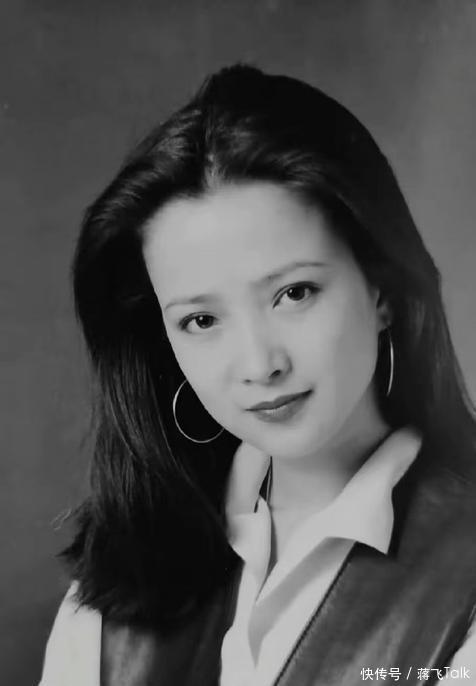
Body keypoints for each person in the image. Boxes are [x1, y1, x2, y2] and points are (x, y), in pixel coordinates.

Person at [39, 64, 476, 686]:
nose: (259, 364)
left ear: (381, 289)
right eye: (200, 320)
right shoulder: (122, 577)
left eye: (295, 293)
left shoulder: (462, 563)